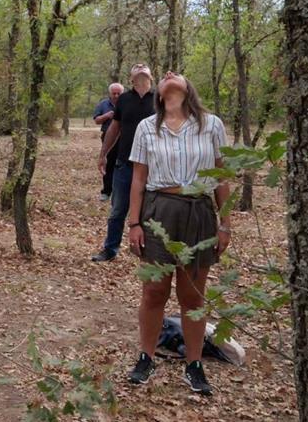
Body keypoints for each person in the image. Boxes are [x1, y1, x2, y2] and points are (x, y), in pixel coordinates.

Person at [125, 71, 231, 395]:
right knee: (154, 291)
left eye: (178, 74)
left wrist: (225, 223)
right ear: (158, 92)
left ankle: (194, 364)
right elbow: (139, 180)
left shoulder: (211, 124)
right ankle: (146, 356)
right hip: (159, 211)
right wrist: (133, 223)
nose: (170, 75)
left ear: (189, 87)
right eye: (165, 75)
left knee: (192, 296)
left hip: (199, 212)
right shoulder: (147, 127)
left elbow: (222, 176)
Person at [92, 64, 155, 262]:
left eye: (144, 66)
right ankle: (110, 249)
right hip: (125, 164)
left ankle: (148, 250)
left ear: (151, 77)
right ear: (131, 78)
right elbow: (114, 128)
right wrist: (103, 154)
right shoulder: (124, 99)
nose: (140, 66)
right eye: (136, 67)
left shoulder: (160, 99)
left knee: (151, 211)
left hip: (154, 167)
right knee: (118, 209)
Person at [93, 83, 124, 201]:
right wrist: (107, 115)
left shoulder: (126, 103)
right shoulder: (103, 104)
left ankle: (120, 192)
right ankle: (106, 191)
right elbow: (96, 120)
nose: (116, 96)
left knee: (122, 164)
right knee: (108, 163)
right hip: (107, 137)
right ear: (110, 93)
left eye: (118, 93)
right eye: (114, 93)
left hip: (125, 137)